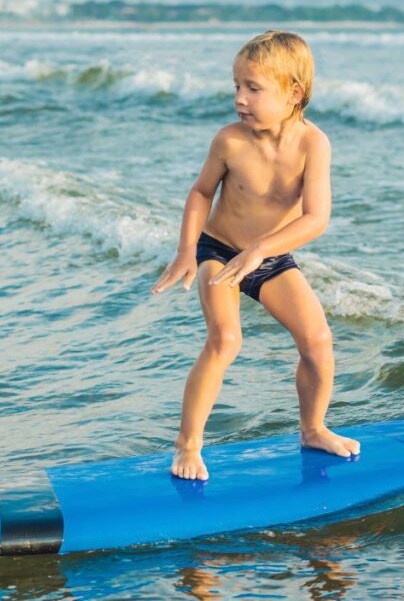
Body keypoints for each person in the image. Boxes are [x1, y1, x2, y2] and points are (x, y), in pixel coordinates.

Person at [150, 30, 360, 481]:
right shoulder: (230, 141)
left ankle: (313, 429)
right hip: (220, 251)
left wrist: (263, 249)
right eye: (236, 87)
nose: (240, 99)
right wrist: (187, 249)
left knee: (318, 343)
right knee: (225, 340)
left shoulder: (313, 145)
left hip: (269, 255)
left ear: (293, 93)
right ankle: (188, 444)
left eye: (253, 88)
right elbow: (201, 192)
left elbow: (317, 217)